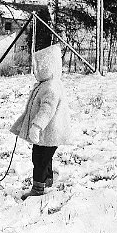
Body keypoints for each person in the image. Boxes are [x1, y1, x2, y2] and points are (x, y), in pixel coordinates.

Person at [10, 44, 72, 200]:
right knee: (44, 157)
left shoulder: (51, 87)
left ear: (47, 66)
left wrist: (36, 126)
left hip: (48, 132)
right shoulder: (47, 84)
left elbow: (46, 110)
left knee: (39, 159)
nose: (35, 71)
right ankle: (48, 180)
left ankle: (38, 188)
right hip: (47, 134)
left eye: (38, 67)